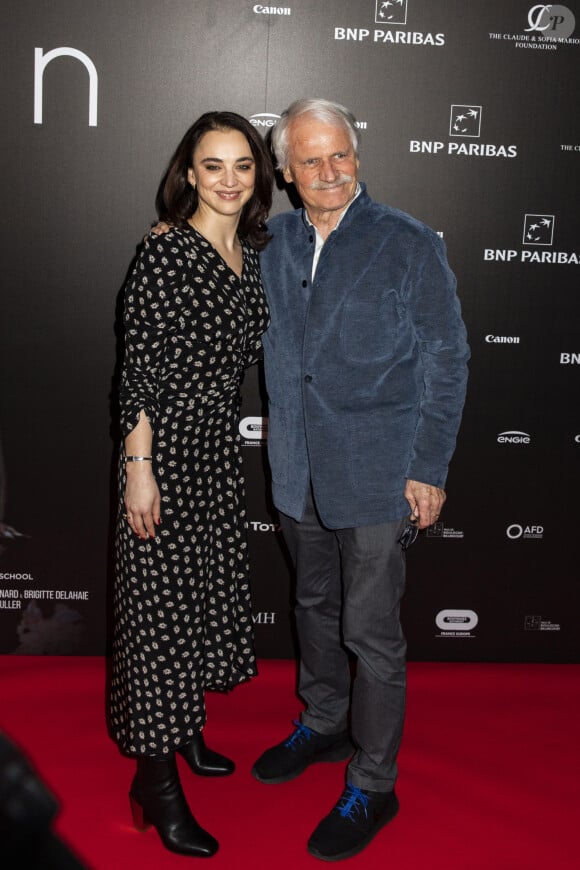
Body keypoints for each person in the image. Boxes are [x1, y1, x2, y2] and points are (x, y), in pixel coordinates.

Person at [249, 99, 470, 862]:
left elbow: (447, 358)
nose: (329, 171)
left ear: (357, 154)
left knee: (369, 632)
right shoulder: (269, 239)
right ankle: (322, 720)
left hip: (378, 470)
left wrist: (428, 467)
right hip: (296, 469)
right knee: (312, 604)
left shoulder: (407, 243)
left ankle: (374, 783)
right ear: (285, 172)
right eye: (310, 160)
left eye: (340, 154)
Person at [110, 111, 273, 858]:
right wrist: (138, 468)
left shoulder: (250, 251)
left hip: (213, 453)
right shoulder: (166, 254)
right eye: (214, 166)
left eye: (243, 164)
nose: (230, 179)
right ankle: (157, 781)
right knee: (157, 618)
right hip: (165, 452)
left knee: (199, 597)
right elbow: (137, 367)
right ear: (188, 174)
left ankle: (188, 732)